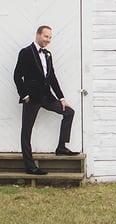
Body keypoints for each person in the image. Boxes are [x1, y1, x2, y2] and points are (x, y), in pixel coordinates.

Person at [13, 25, 79, 175]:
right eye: (46, 36)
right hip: (32, 99)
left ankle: (61, 147)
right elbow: (17, 76)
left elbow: (52, 78)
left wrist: (61, 98)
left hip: (47, 97)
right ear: (38, 35)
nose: (48, 40)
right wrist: (25, 96)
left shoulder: (48, 54)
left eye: (50, 37)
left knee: (69, 112)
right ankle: (30, 166)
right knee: (26, 131)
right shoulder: (26, 52)